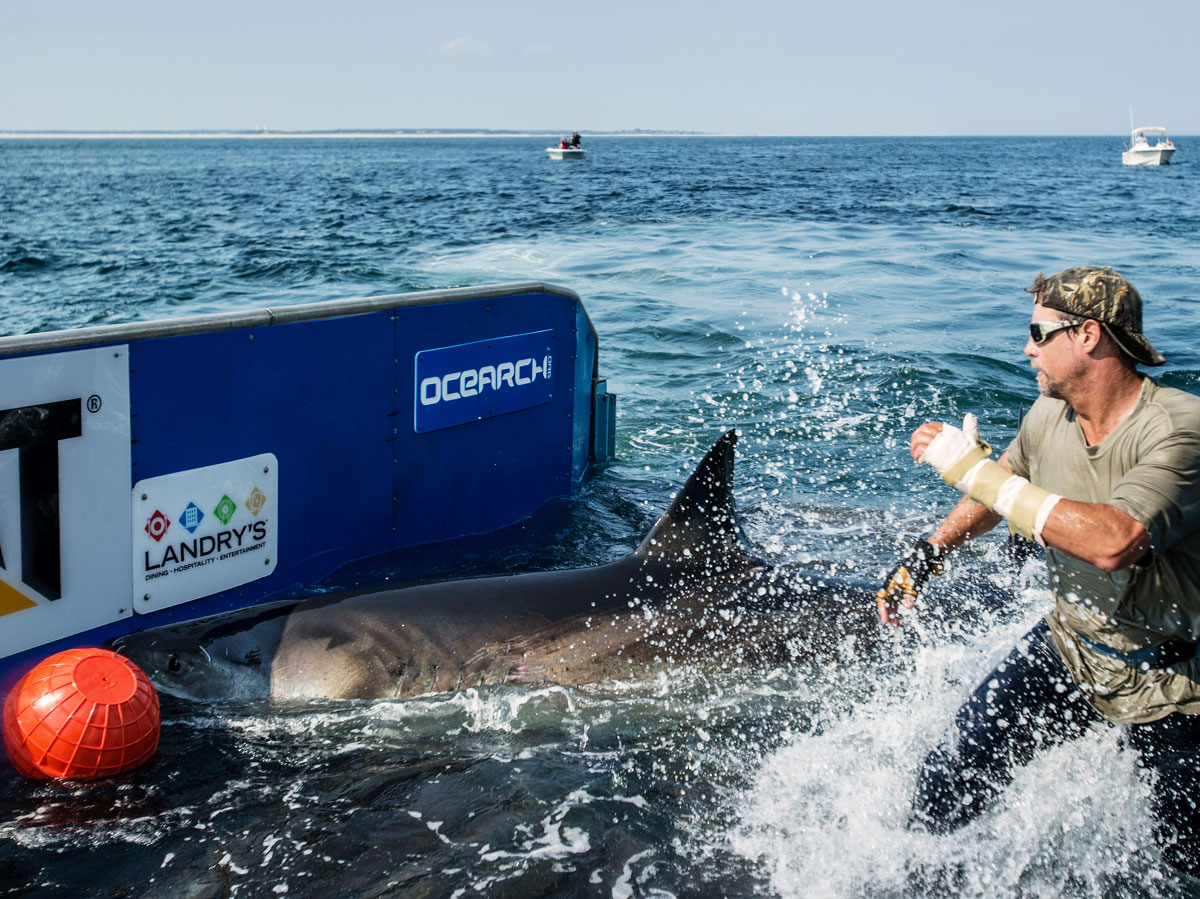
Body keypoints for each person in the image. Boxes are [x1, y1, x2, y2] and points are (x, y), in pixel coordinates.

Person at [876, 266, 1200, 873]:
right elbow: (997, 495)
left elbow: (1116, 541)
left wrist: (974, 471)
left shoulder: (1181, 429)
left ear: (1089, 336)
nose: (1027, 348)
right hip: (1071, 646)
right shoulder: (1046, 416)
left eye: (1038, 332)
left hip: (1177, 683)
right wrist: (926, 555)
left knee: (1183, 862)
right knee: (942, 788)